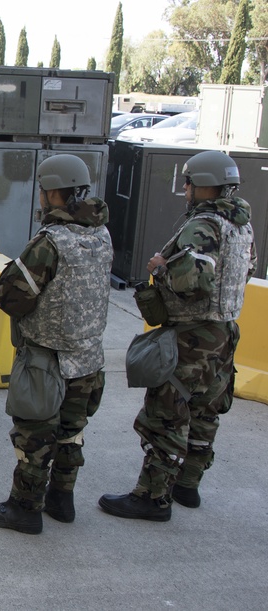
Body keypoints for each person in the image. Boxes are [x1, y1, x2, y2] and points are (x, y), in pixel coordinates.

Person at [99, 150, 256, 522]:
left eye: (189, 182)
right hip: (225, 332)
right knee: (205, 411)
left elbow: (193, 283)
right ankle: (188, 484)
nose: (184, 188)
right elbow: (244, 272)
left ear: (205, 186)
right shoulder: (241, 224)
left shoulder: (203, 225)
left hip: (192, 335)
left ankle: (152, 497)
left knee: (167, 413)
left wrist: (161, 268)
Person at [0, 155, 112, 535]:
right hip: (88, 357)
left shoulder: (50, 242)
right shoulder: (101, 234)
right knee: (71, 430)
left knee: (34, 435)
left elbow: (12, 296)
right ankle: (61, 499)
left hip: (46, 358)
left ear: (52, 193)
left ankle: (24, 506)